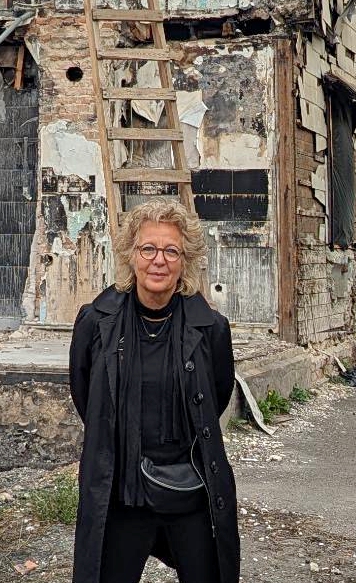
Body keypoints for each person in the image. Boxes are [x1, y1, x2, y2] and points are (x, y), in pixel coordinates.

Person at [68, 199, 238, 583]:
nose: (158, 260)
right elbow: (87, 397)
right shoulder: (96, 322)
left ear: (184, 261)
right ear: (131, 255)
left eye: (170, 251)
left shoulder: (210, 329)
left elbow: (216, 396)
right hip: (123, 495)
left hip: (190, 491)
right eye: (148, 248)